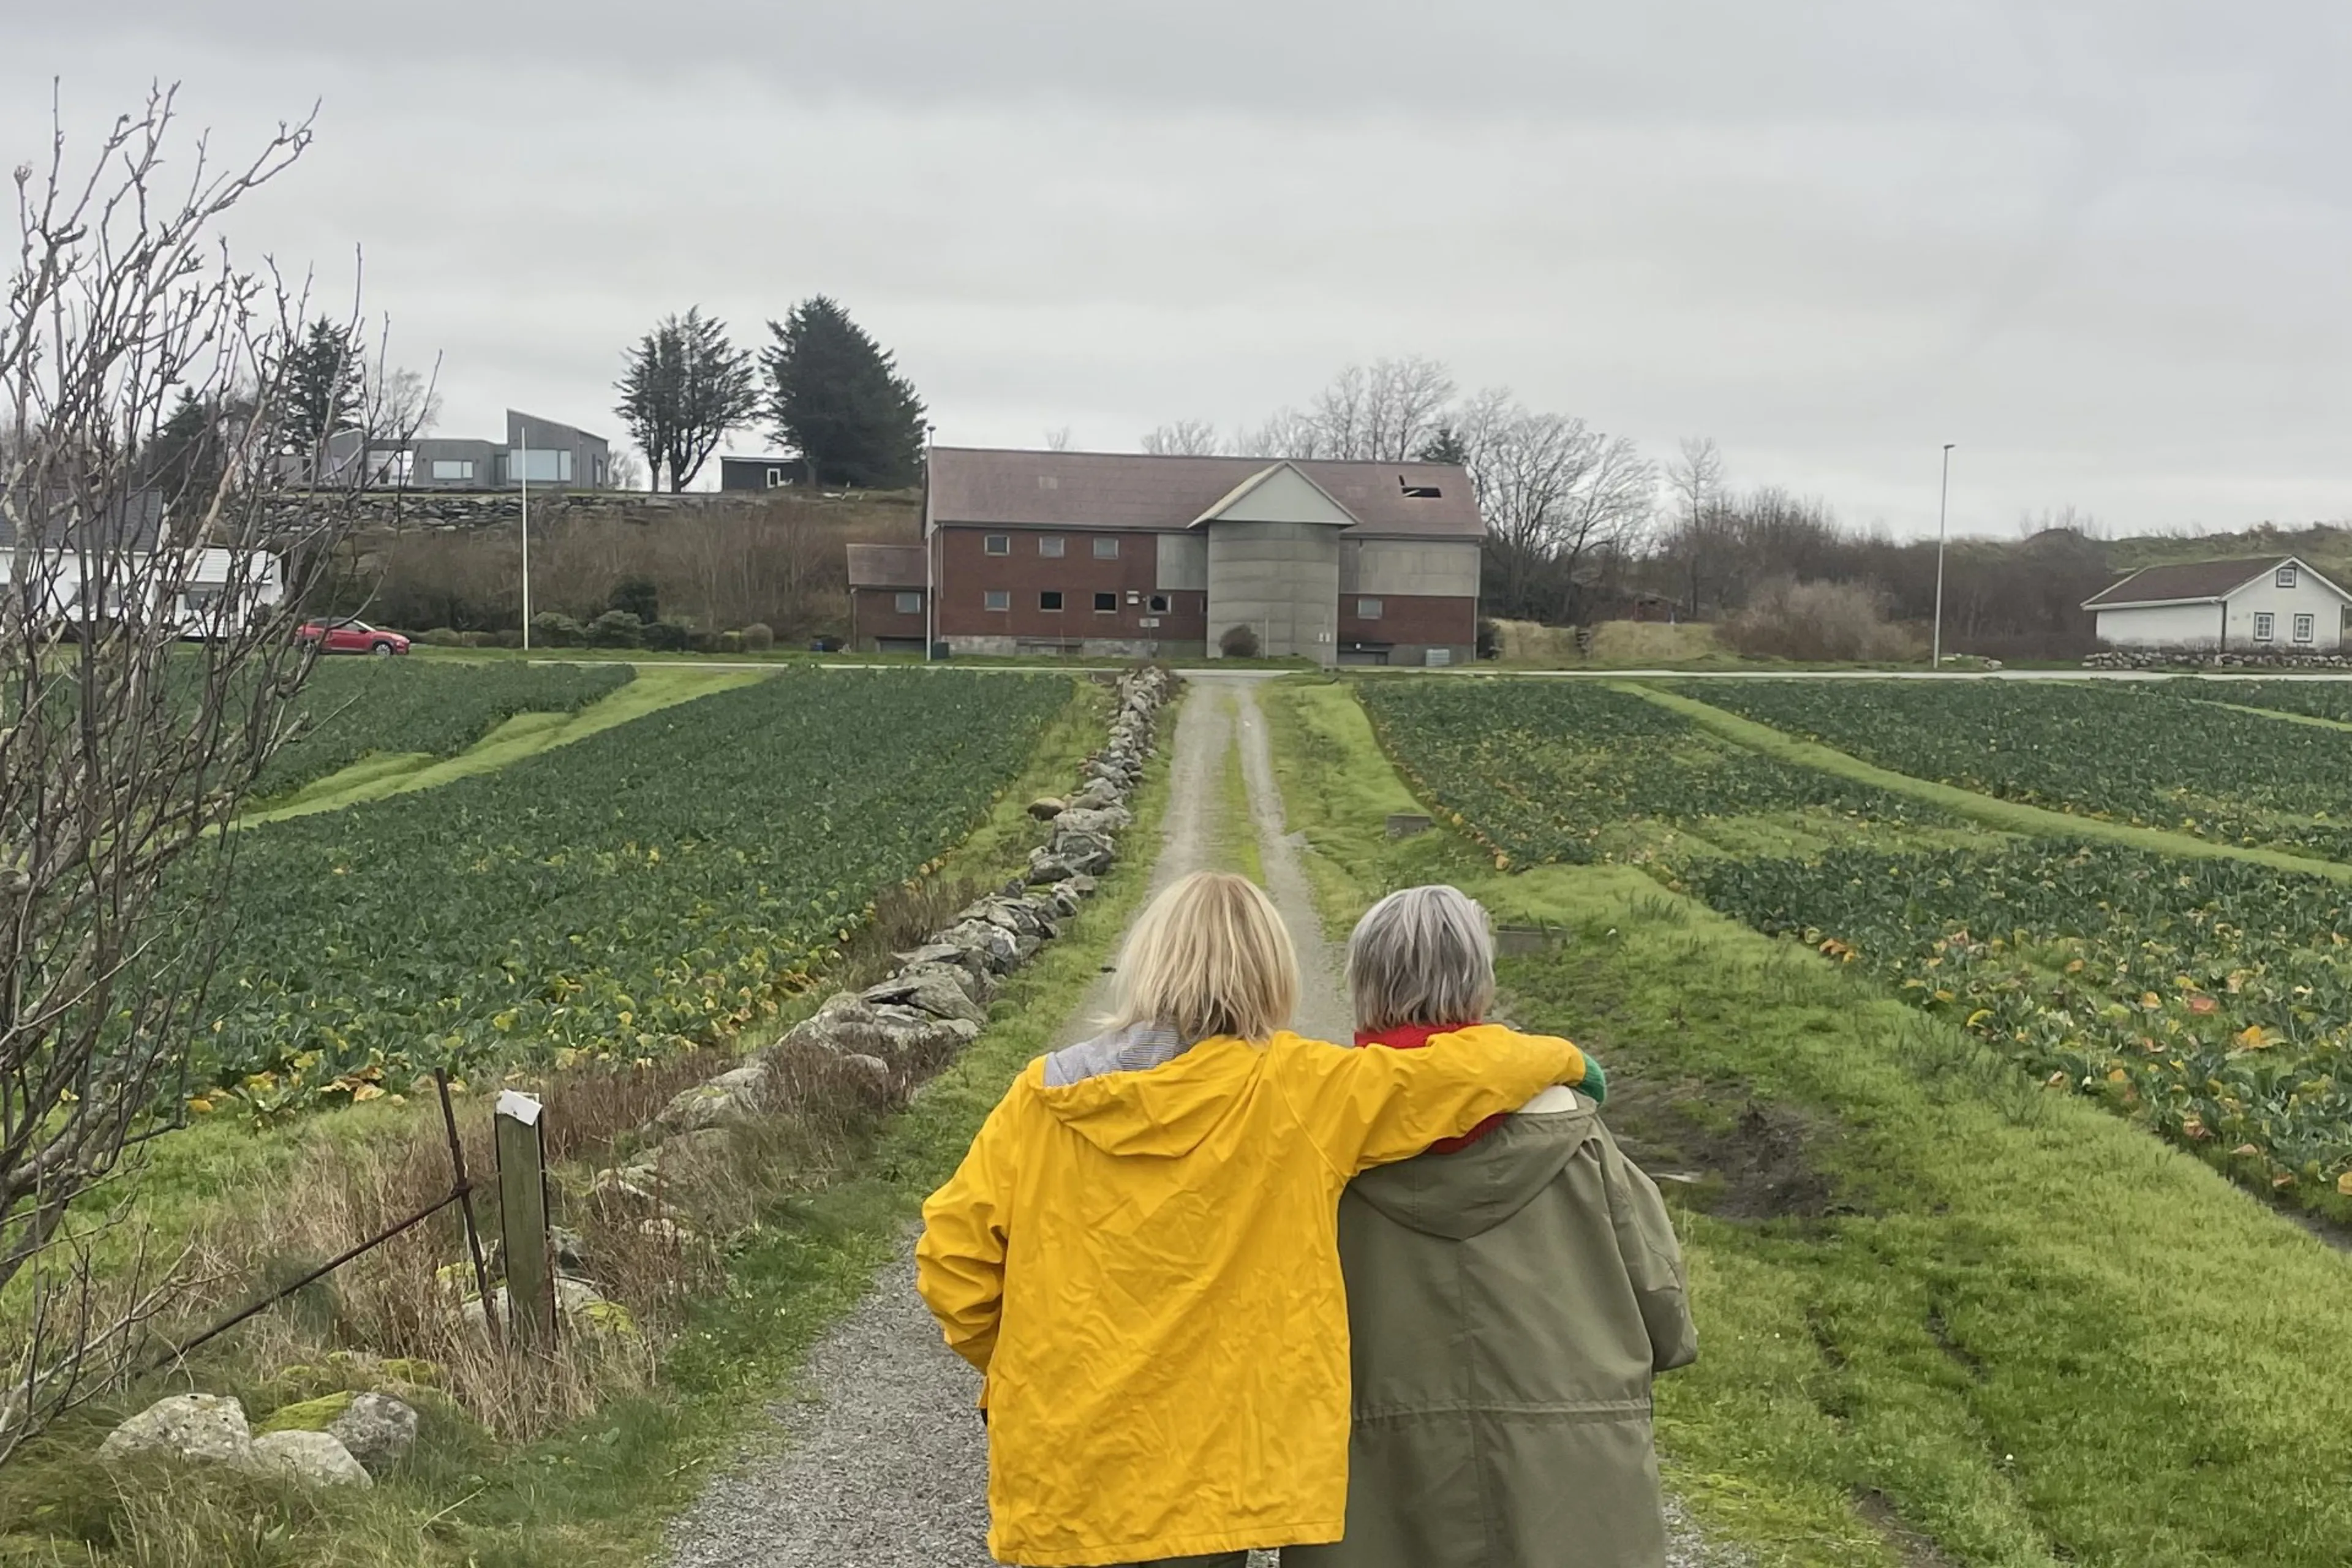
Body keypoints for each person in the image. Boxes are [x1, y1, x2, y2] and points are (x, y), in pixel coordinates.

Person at [914, 870, 1593, 1568]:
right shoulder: (1301, 1090)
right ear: (1273, 973)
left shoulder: (1044, 1096)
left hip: (1066, 1465)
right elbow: (1458, 1070)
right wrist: (1567, 1060)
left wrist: (1028, 1365)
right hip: (1210, 1483)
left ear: (1148, 962)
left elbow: (952, 1259)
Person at [1286, 884, 1697, 1568]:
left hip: (1379, 1492)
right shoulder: (1581, 1137)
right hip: (1571, 1491)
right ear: (1480, 986)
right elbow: (1668, 1320)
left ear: (1364, 986)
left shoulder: (1323, 1144)